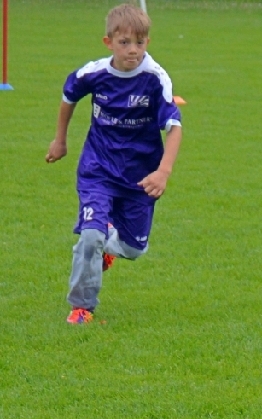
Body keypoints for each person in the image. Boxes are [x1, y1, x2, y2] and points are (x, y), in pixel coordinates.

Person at [46, 4, 183, 324]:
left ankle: (108, 247)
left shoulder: (155, 79)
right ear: (109, 43)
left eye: (140, 42)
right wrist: (60, 140)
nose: (133, 50)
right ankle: (82, 306)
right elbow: (69, 96)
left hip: (139, 176)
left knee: (134, 249)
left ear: (147, 42)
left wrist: (163, 171)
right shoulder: (94, 73)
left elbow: (175, 127)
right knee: (90, 237)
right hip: (98, 169)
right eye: (125, 43)